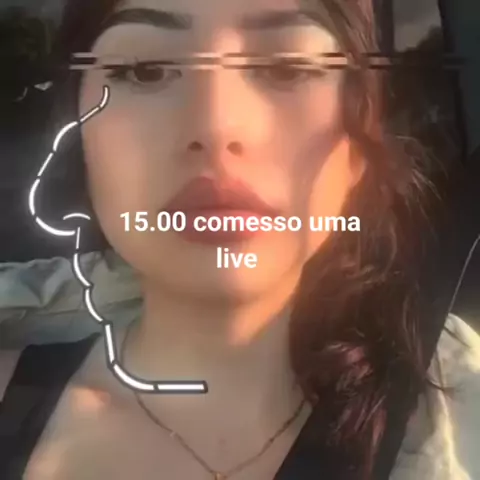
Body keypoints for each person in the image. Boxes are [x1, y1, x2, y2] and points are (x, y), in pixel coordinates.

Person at [0, 0, 479, 479]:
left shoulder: (459, 424)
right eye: (146, 70)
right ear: (79, 136)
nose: (216, 125)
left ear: (359, 146)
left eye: (288, 68)